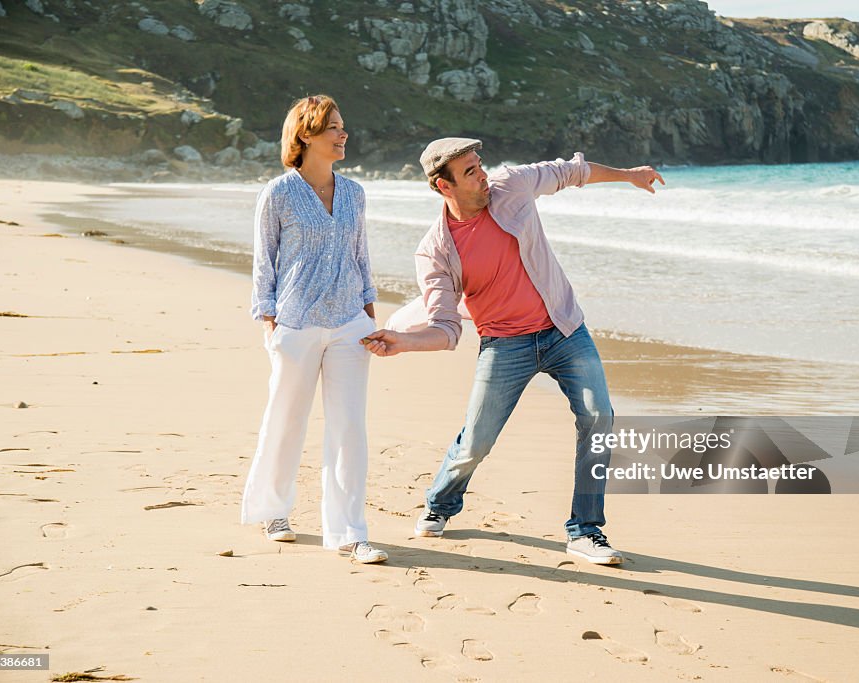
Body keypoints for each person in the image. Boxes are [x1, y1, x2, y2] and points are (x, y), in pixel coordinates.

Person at [362, 138, 664, 565]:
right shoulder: (436, 251)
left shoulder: (511, 185)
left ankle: (585, 531)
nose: (482, 175)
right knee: (476, 442)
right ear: (442, 187)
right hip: (505, 345)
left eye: (479, 165)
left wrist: (628, 175)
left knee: (599, 417)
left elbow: (570, 171)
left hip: (564, 329)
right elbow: (447, 329)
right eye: (469, 172)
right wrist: (403, 343)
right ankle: (441, 502)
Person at [241, 94, 387, 564]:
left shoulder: (355, 194)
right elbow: (264, 264)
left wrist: (368, 312)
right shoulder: (278, 193)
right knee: (285, 421)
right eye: (333, 127)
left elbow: (361, 256)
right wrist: (270, 321)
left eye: (343, 126)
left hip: (349, 325)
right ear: (305, 135)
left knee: (349, 429)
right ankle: (274, 510)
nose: (343, 134)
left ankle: (349, 532)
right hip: (297, 323)